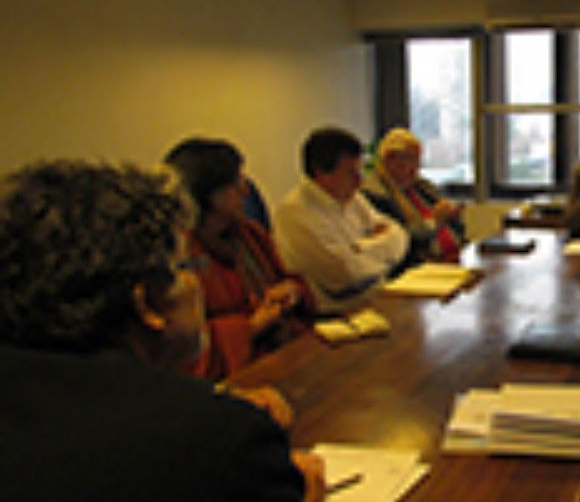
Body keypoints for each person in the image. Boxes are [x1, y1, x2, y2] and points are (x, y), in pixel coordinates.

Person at [0, 160, 369, 502]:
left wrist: (210, 398)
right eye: (183, 266)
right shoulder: (222, 442)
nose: (197, 281)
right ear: (147, 306)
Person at [165, 137, 315, 380]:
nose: (246, 190)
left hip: (286, 352)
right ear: (209, 196)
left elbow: (290, 281)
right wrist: (250, 327)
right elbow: (177, 348)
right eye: (236, 183)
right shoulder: (178, 253)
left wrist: (292, 292)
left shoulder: (250, 234)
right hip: (235, 375)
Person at [274, 126, 408, 312]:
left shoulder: (352, 198)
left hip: (378, 298)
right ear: (321, 172)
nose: (360, 181)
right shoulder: (295, 213)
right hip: (338, 316)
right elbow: (345, 274)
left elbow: (400, 238)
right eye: (351, 173)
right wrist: (379, 244)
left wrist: (358, 248)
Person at [362, 127, 465, 266]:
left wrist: (453, 216)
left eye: (418, 161)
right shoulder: (376, 195)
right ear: (390, 159)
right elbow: (401, 241)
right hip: (420, 266)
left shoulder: (422, 187)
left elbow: (457, 229)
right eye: (412, 160)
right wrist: (434, 222)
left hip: (452, 256)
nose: (417, 168)